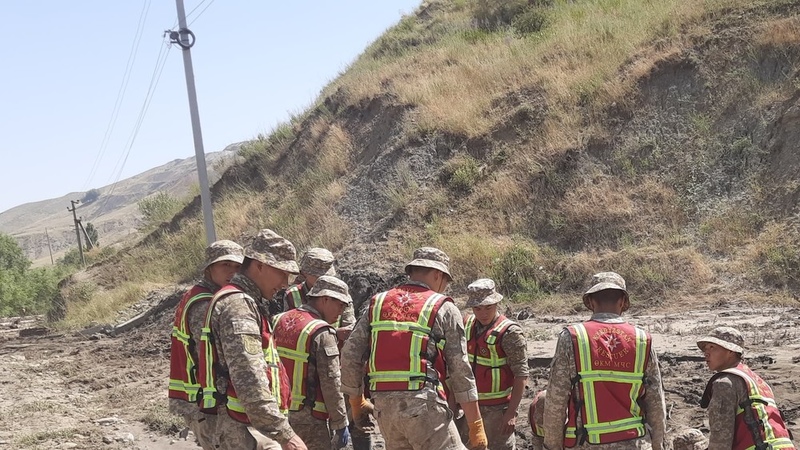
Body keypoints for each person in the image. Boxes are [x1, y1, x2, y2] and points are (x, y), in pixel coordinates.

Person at [340, 246, 489, 450]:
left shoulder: (378, 303)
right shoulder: (443, 306)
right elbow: (460, 370)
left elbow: (350, 355)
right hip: (424, 406)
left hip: (385, 409)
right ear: (437, 275)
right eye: (445, 281)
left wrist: (357, 402)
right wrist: (476, 425)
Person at [197, 229, 308, 450]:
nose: (285, 283)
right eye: (282, 273)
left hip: (249, 425)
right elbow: (249, 378)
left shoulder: (246, 301)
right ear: (260, 266)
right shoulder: (238, 305)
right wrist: (284, 434)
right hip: (244, 429)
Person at [542, 272, 666, 450]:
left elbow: (556, 400)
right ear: (622, 301)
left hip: (586, 444)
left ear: (591, 302)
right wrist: (658, 445)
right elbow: (656, 402)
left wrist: (552, 446)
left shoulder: (573, 338)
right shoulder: (642, 340)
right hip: (635, 443)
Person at [168, 239, 243, 450]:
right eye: (225, 265)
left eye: (237, 266)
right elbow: (214, 356)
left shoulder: (204, 295)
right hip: (207, 403)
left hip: (203, 399)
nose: (232, 272)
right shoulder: (205, 304)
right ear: (209, 268)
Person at [273, 275, 352, 450]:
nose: (341, 312)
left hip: (276, 414)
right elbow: (331, 383)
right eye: (340, 305)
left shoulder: (277, 320)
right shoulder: (322, 333)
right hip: (309, 421)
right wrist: (340, 423)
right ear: (325, 299)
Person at [697, 326, 795, 450]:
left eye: (712, 347)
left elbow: (720, 441)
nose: (706, 353)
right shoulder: (759, 382)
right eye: (705, 348)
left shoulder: (724, 383)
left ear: (731, 351)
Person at [462, 278, 528, 450]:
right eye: (477, 308)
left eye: (488, 307)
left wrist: (511, 413)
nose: (483, 313)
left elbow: (521, 374)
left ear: (497, 304)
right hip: (470, 408)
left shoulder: (510, 332)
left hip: (498, 411)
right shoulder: (466, 325)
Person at [284, 248, 356, 343]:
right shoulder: (292, 295)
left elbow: (350, 328)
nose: (323, 280)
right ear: (305, 273)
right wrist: (333, 332)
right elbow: (288, 330)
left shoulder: (342, 296)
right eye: (318, 276)